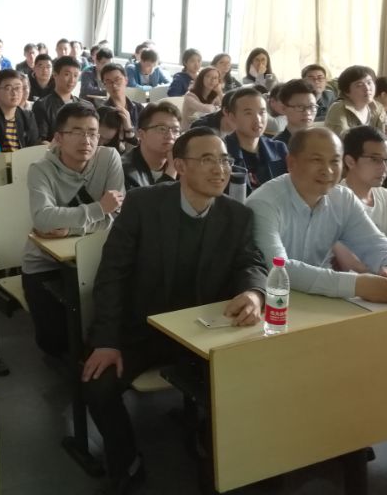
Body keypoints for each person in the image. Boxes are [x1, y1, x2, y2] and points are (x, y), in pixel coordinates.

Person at [83, 128, 267, 491]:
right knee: (97, 385)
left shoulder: (237, 215)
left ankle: (215, 447)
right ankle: (126, 459)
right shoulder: (143, 205)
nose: (219, 169)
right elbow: (112, 275)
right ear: (179, 166)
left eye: (224, 159)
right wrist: (106, 340)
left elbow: (251, 262)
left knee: (250, 379)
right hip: (143, 328)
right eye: (207, 159)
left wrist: (254, 293)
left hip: (203, 331)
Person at [246, 128, 387, 302]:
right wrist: (357, 285)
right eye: (316, 160)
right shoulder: (264, 203)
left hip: (323, 300)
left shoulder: (343, 199)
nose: (327, 170)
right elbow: (279, 268)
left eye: (334, 161)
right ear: (291, 163)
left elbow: (377, 245)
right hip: (273, 303)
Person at [22, 103, 124, 356]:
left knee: (104, 330)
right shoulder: (40, 169)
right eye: (77, 132)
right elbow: (43, 219)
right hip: (46, 264)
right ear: (58, 137)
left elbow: (117, 216)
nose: (86, 140)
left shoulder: (109, 158)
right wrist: (100, 209)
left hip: (97, 257)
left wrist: (69, 230)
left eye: (92, 133)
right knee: (57, 345)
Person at [338, 126, 387, 264]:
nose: (384, 168)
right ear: (350, 161)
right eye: (375, 159)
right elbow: (340, 259)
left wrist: (374, 252)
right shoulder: (335, 201)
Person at [224, 87, 288, 193]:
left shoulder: (279, 149)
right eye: (248, 113)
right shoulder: (222, 153)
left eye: (262, 112)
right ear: (232, 117)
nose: (258, 119)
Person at [324, 65, 387, 146]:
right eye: (359, 85)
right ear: (347, 92)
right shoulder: (338, 109)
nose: (367, 88)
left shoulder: (377, 107)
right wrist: (383, 142)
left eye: (369, 82)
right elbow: (344, 141)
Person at [33, 56, 94, 143]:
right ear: (55, 75)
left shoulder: (87, 106)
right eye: (67, 74)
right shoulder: (42, 106)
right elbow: (41, 140)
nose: (72, 80)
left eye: (76, 75)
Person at [121, 101, 181, 189]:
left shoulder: (183, 164)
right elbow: (153, 198)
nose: (170, 136)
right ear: (141, 134)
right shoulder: (124, 170)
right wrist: (172, 168)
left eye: (175, 130)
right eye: (162, 129)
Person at [0, 69, 40, 151]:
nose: (14, 93)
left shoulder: (28, 117)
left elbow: (33, 149)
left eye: (18, 88)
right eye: (8, 88)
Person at [100, 63, 141, 147]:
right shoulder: (102, 112)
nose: (114, 85)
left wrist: (129, 128)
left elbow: (145, 141)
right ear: (104, 85)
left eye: (117, 79)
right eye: (108, 82)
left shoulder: (139, 108)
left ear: (126, 80)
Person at [274, 79, 317, 146]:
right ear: (283, 108)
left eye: (312, 106)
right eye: (300, 107)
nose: (307, 112)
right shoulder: (276, 146)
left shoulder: (323, 141)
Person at [181, 65, 223, 129]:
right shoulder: (189, 96)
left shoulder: (215, 95)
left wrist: (220, 92)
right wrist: (217, 108)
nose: (212, 80)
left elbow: (227, 107)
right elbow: (207, 110)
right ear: (201, 78)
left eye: (215, 78)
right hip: (189, 130)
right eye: (208, 76)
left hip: (206, 130)